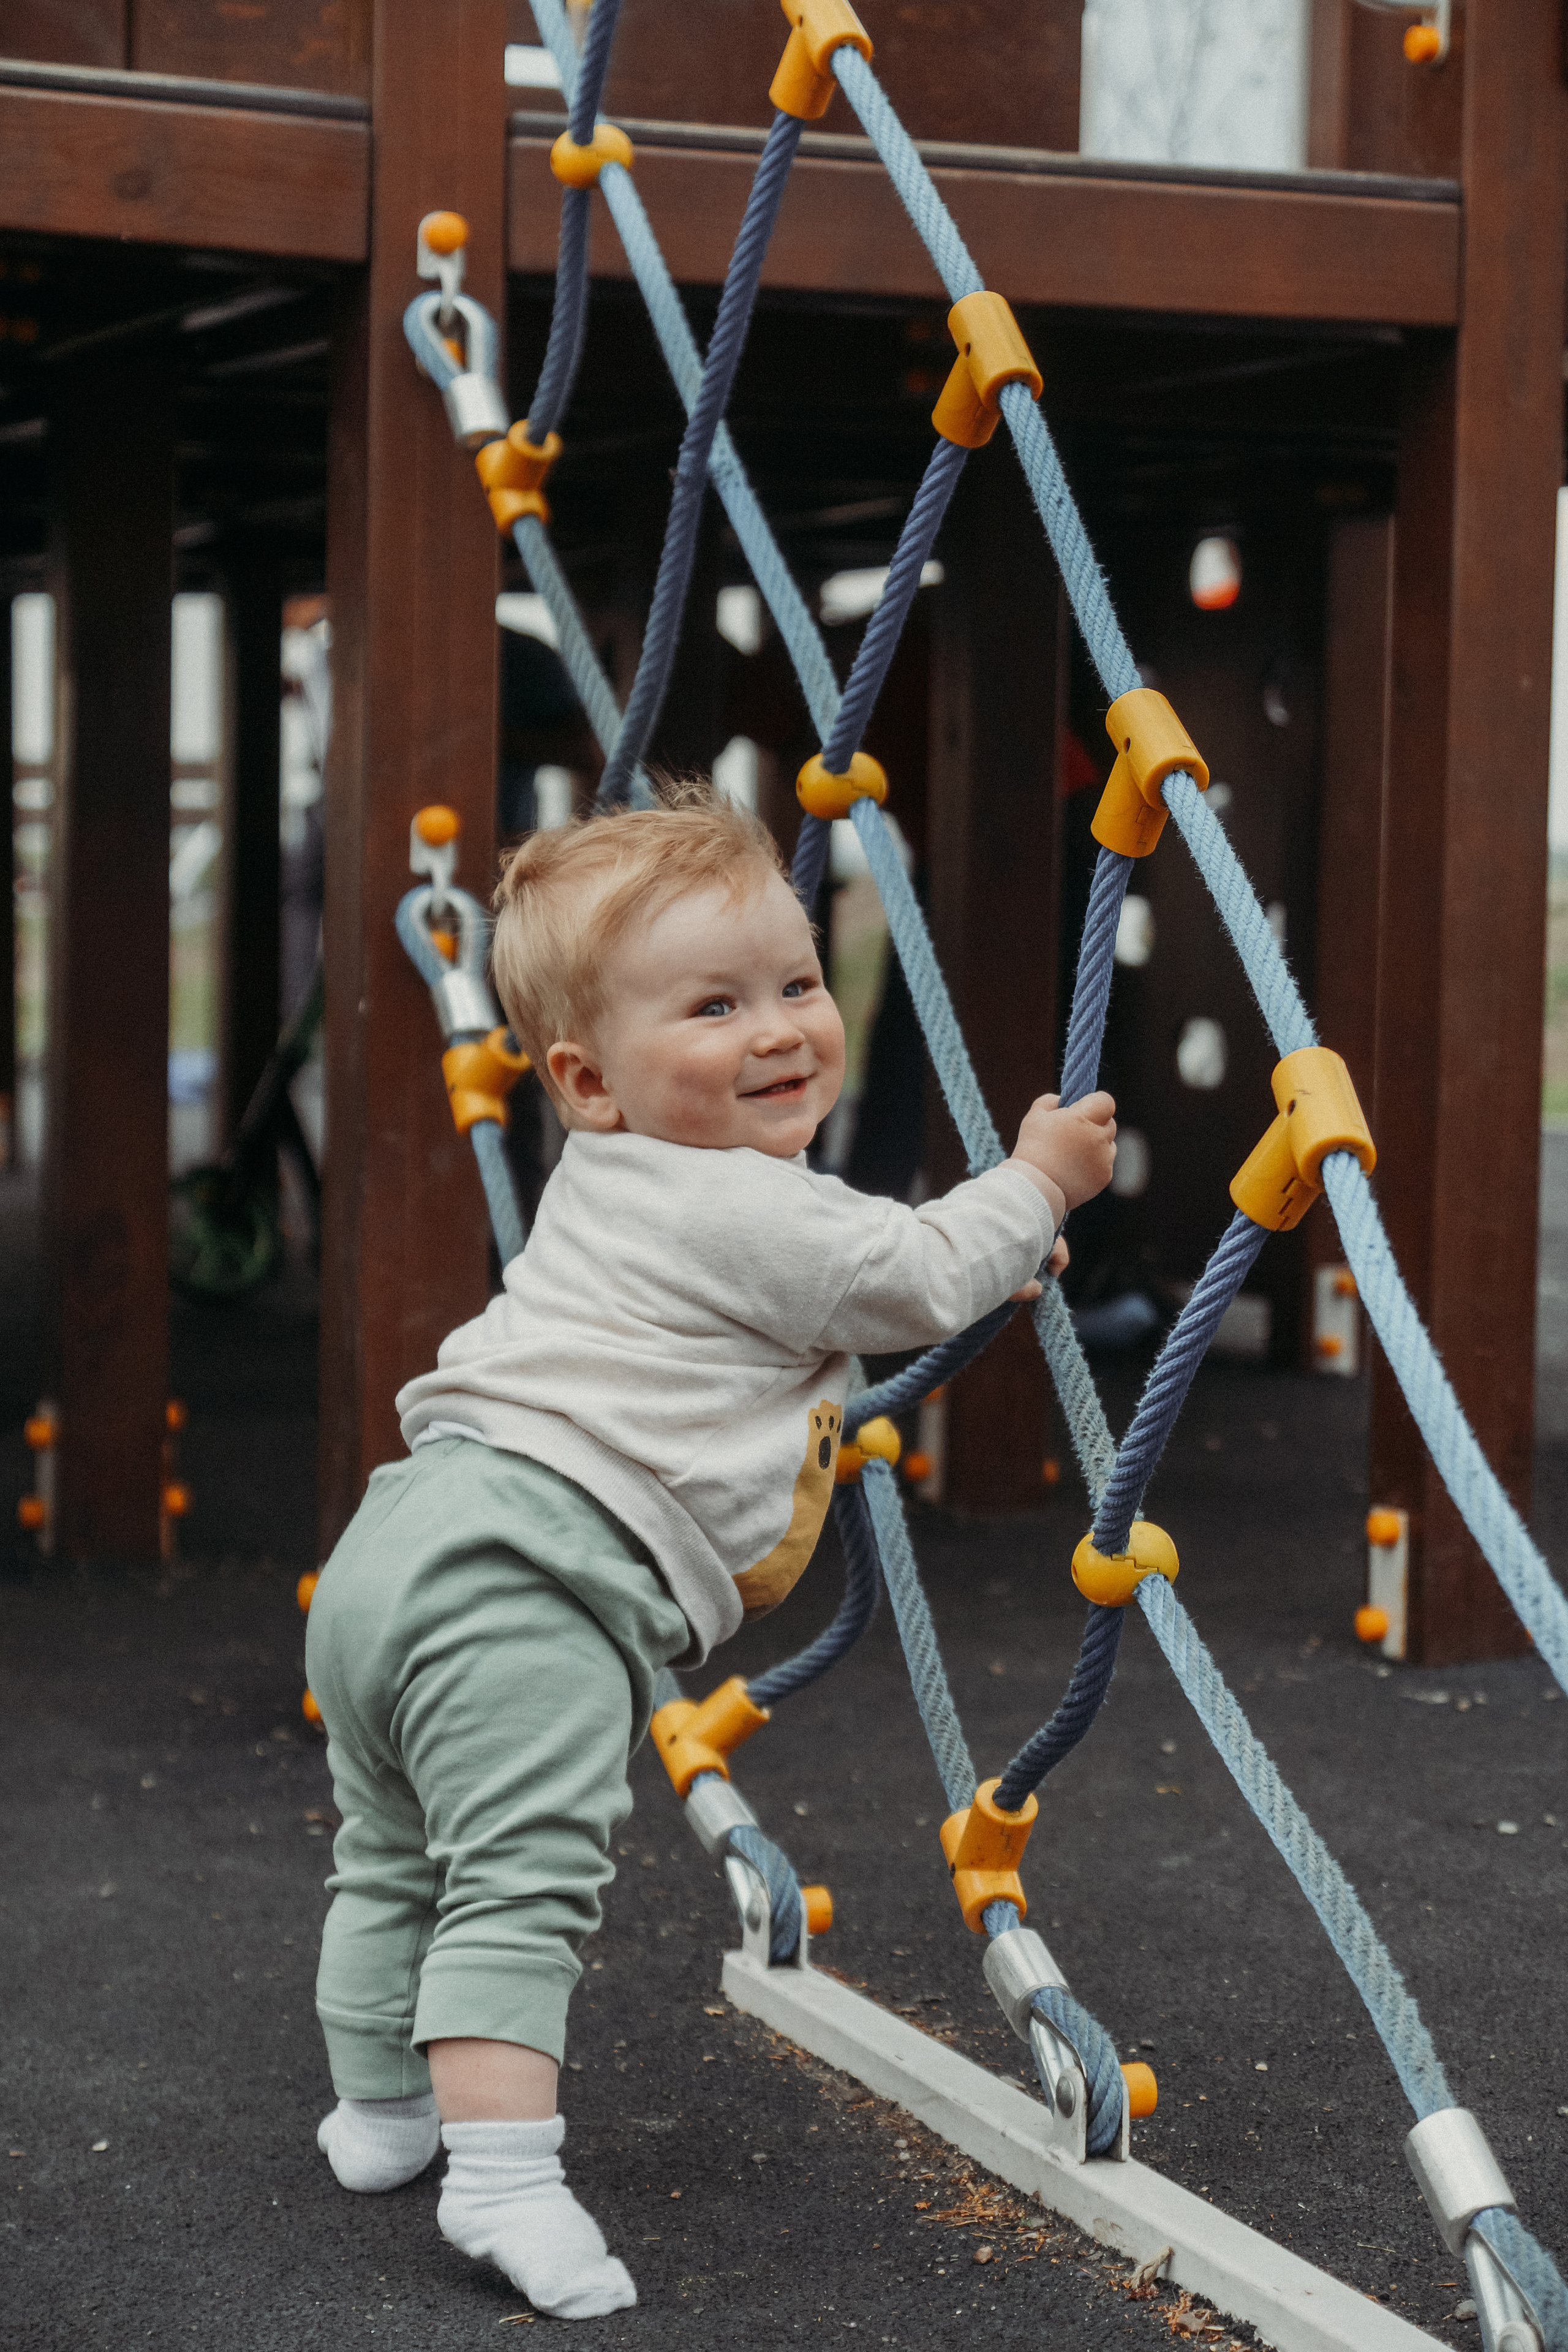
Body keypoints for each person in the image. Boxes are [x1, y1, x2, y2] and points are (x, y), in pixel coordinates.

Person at [306, 781, 1117, 2318]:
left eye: (799, 983)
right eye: (712, 1006)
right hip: (526, 1587)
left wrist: (982, 1258)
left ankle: (378, 2115)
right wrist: (1038, 1185)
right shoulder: (738, 1200)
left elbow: (861, 1286)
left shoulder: (618, 1184)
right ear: (588, 1081)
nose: (777, 1030)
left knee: (390, 1854)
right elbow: (921, 1266)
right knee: (517, 1884)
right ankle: (499, 2185)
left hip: (398, 1539)